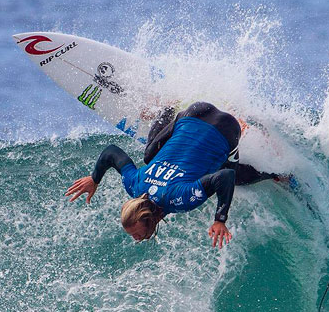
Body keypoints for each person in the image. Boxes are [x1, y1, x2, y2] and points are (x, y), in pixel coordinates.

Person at [64, 101, 287, 247]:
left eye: (137, 234)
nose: (136, 239)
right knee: (150, 156)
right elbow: (111, 152)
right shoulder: (135, 184)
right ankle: (167, 107)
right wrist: (94, 178)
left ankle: (278, 174)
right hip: (195, 110)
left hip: (227, 128)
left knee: (234, 175)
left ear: (148, 219)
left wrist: (220, 219)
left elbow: (225, 177)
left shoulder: (180, 199)